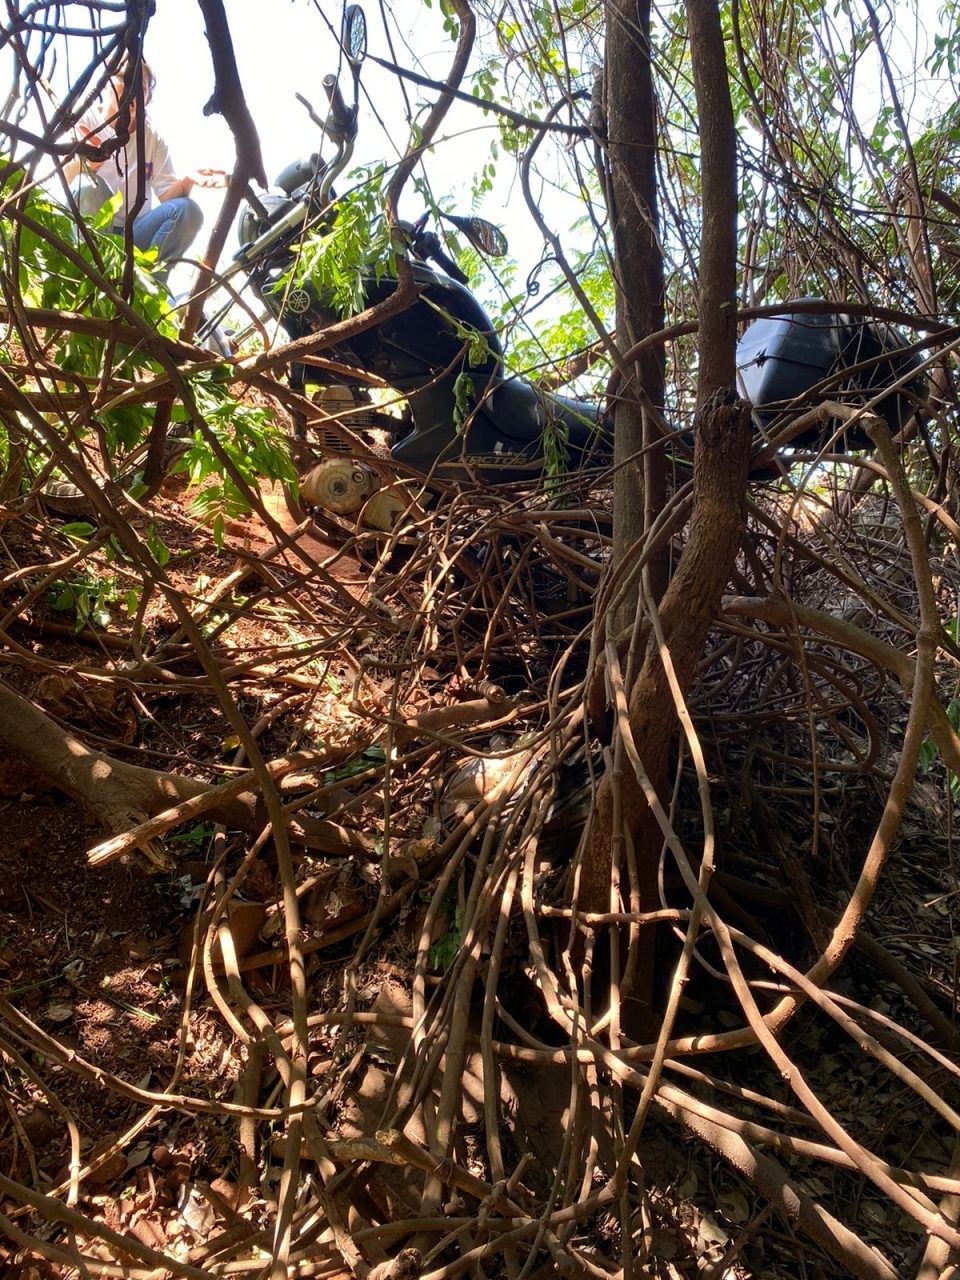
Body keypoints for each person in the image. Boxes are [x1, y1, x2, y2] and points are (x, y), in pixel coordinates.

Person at [71, 59, 224, 271]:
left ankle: (145, 289)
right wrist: (90, 163)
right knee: (89, 186)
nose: (132, 90)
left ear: (148, 99)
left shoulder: (151, 138)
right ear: (107, 82)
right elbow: (66, 180)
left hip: (134, 235)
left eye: (140, 87)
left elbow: (167, 197)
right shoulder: (84, 120)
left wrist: (188, 180)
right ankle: (90, 275)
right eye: (125, 80)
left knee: (188, 212)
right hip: (93, 231)